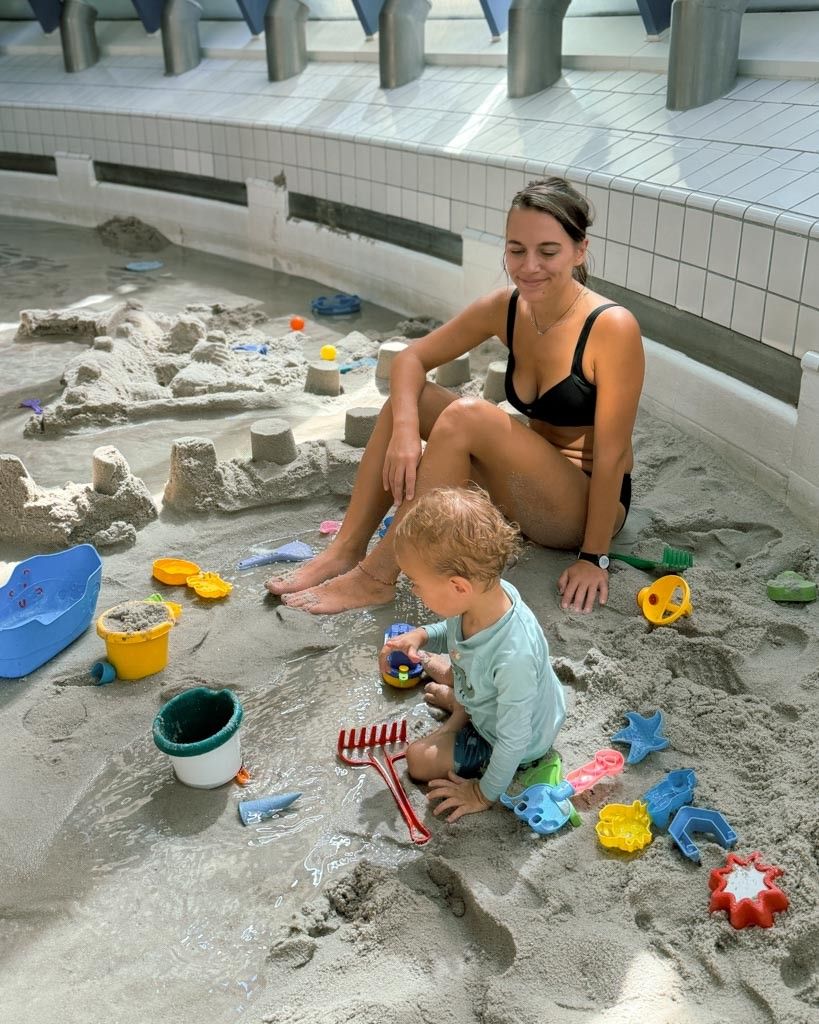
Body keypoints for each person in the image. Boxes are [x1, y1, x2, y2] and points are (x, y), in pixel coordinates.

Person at [266, 177, 644, 614]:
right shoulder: (507, 307)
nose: (529, 266)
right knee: (411, 401)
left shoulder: (611, 327)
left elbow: (613, 456)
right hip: (525, 488)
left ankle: (375, 577)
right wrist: (407, 433)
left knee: (466, 415)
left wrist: (593, 558)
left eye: (548, 251)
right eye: (516, 249)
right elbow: (410, 359)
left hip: (583, 509)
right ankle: (345, 550)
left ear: (579, 251)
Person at [380, 485, 566, 821]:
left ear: (457, 587)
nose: (413, 590)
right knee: (445, 670)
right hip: (487, 693)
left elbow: (513, 741)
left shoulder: (514, 657)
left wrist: (483, 793)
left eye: (416, 583)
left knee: (419, 758)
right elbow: (451, 629)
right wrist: (422, 635)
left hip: (517, 742)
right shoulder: (485, 595)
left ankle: (458, 713)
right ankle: (458, 705)